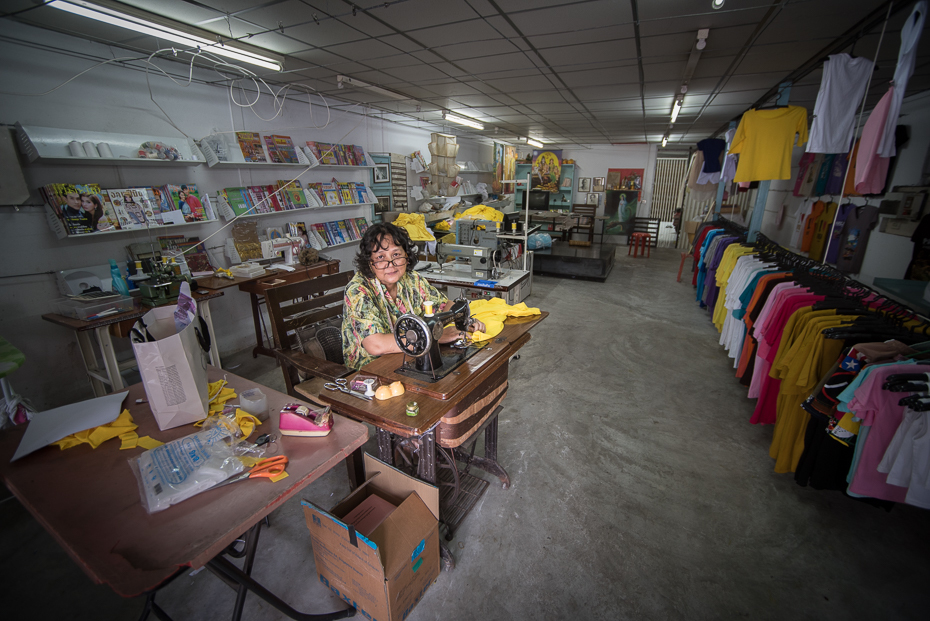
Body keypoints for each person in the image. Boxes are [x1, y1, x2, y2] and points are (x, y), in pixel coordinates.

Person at [342, 223, 485, 370]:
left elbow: (446, 306)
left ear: (407, 256)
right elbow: (376, 345)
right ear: (370, 263)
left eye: (396, 255)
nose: (390, 264)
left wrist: (465, 322)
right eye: (380, 257)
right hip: (372, 371)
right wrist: (434, 337)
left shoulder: (412, 279)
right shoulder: (358, 291)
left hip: (410, 356)